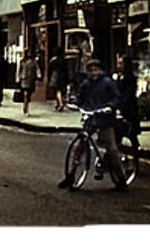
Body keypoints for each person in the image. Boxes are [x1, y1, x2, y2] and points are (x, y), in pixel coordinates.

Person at [58, 59, 128, 191]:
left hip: (105, 119)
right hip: (91, 117)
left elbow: (117, 97)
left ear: (100, 71)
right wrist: (74, 103)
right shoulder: (86, 84)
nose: (93, 73)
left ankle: (121, 178)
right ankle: (71, 175)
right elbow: (81, 98)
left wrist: (110, 107)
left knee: (112, 149)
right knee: (80, 147)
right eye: (90, 70)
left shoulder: (107, 83)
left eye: (96, 70)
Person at [116, 56, 140, 148]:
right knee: (119, 133)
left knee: (131, 133)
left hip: (129, 109)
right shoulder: (119, 76)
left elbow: (129, 94)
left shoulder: (130, 77)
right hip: (121, 108)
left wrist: (121, 105)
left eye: (121, 63)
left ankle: (135, 153)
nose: (118, 66)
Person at [17, 48, 38, 116]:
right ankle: (26, 108)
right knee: (25, 94)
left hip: (31, 80)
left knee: (29, 95)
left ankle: (26, 105)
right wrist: (17, 78)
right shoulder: (22, 61)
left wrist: (38, 75)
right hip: (24, 80)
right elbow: (19, 70)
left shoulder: (34, 61)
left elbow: (37, 69)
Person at [48, 47, 69, 112]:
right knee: (61, 90)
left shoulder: (53, 60)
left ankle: (60, 103)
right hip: (62, 76)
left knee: (57, 90)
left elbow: (50, 69)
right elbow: (66, 69)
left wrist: (49, 77)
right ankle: (58, 104)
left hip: (55, 75)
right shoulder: (63, 60)